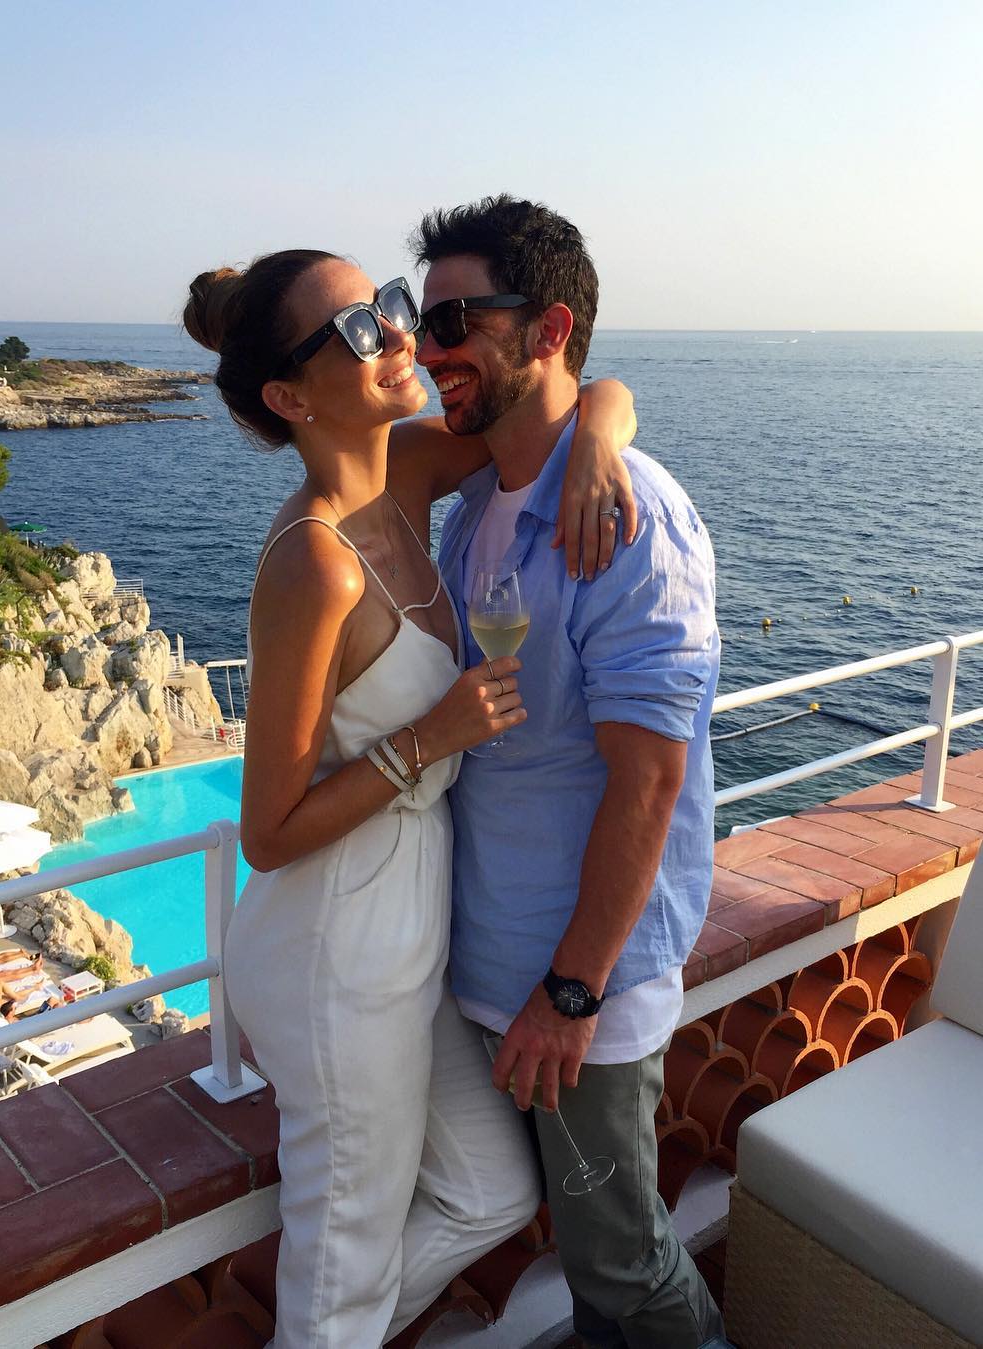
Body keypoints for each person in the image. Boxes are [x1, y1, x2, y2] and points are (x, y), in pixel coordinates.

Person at [183, 249, 639, 1347]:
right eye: (358, 330)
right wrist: (428, 739)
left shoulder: (412, 470)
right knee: (340, 1257)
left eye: (386, 305)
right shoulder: (315, 563)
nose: (400, 334)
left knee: (490, 1188)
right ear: (291, 397)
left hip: (410, 932)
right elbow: (268, 831)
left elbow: (572, 395)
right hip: (335, 952)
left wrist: (598, 442)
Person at [413, 195, 727, 1349]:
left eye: (455, 320)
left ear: (548, 329)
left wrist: (572, 991)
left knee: (622, 1259)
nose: (428, 346)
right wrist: (598, 412)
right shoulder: (475, 504)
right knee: (591, 1257)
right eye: (420, 318)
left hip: (576, 984)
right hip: (496, 964)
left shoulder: (630, 521)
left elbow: (648, 784)